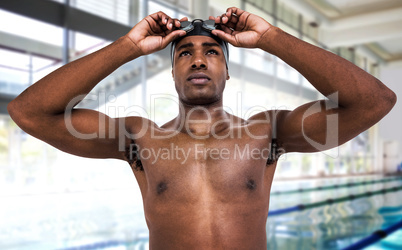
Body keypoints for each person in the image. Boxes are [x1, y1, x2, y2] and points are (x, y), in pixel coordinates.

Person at [7, 6, 396, 249]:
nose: (198, 60)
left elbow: (374, 101)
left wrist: (271, 38)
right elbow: (29, 112)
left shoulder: (269, 131)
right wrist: (128, 45)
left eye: (211, 52)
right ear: (173, 69)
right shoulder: (140, 138)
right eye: (184, 53)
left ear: (226, 70)